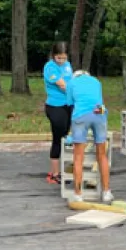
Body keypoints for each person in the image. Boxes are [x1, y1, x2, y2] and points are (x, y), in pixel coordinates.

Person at [65, 70, 113, 203]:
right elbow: (100, 103)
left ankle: (78, 194)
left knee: (78, 157)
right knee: (102, 155)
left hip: (81, 115)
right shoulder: (96, 81)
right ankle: (106, 192)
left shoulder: (71, 83)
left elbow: (70, 105)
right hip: (100, 113)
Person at [43, 41, 73, 184]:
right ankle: (54, 173)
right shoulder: (50, 67)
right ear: (53, 55)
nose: (61, 61)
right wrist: (79, 92)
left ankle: (65, 169)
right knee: (58, 138)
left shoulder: (67, 65)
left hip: (68, 105)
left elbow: (72, 81)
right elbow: (63, 85)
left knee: (66, 137)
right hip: (55, 106)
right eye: (58, 58)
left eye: (64, 58)